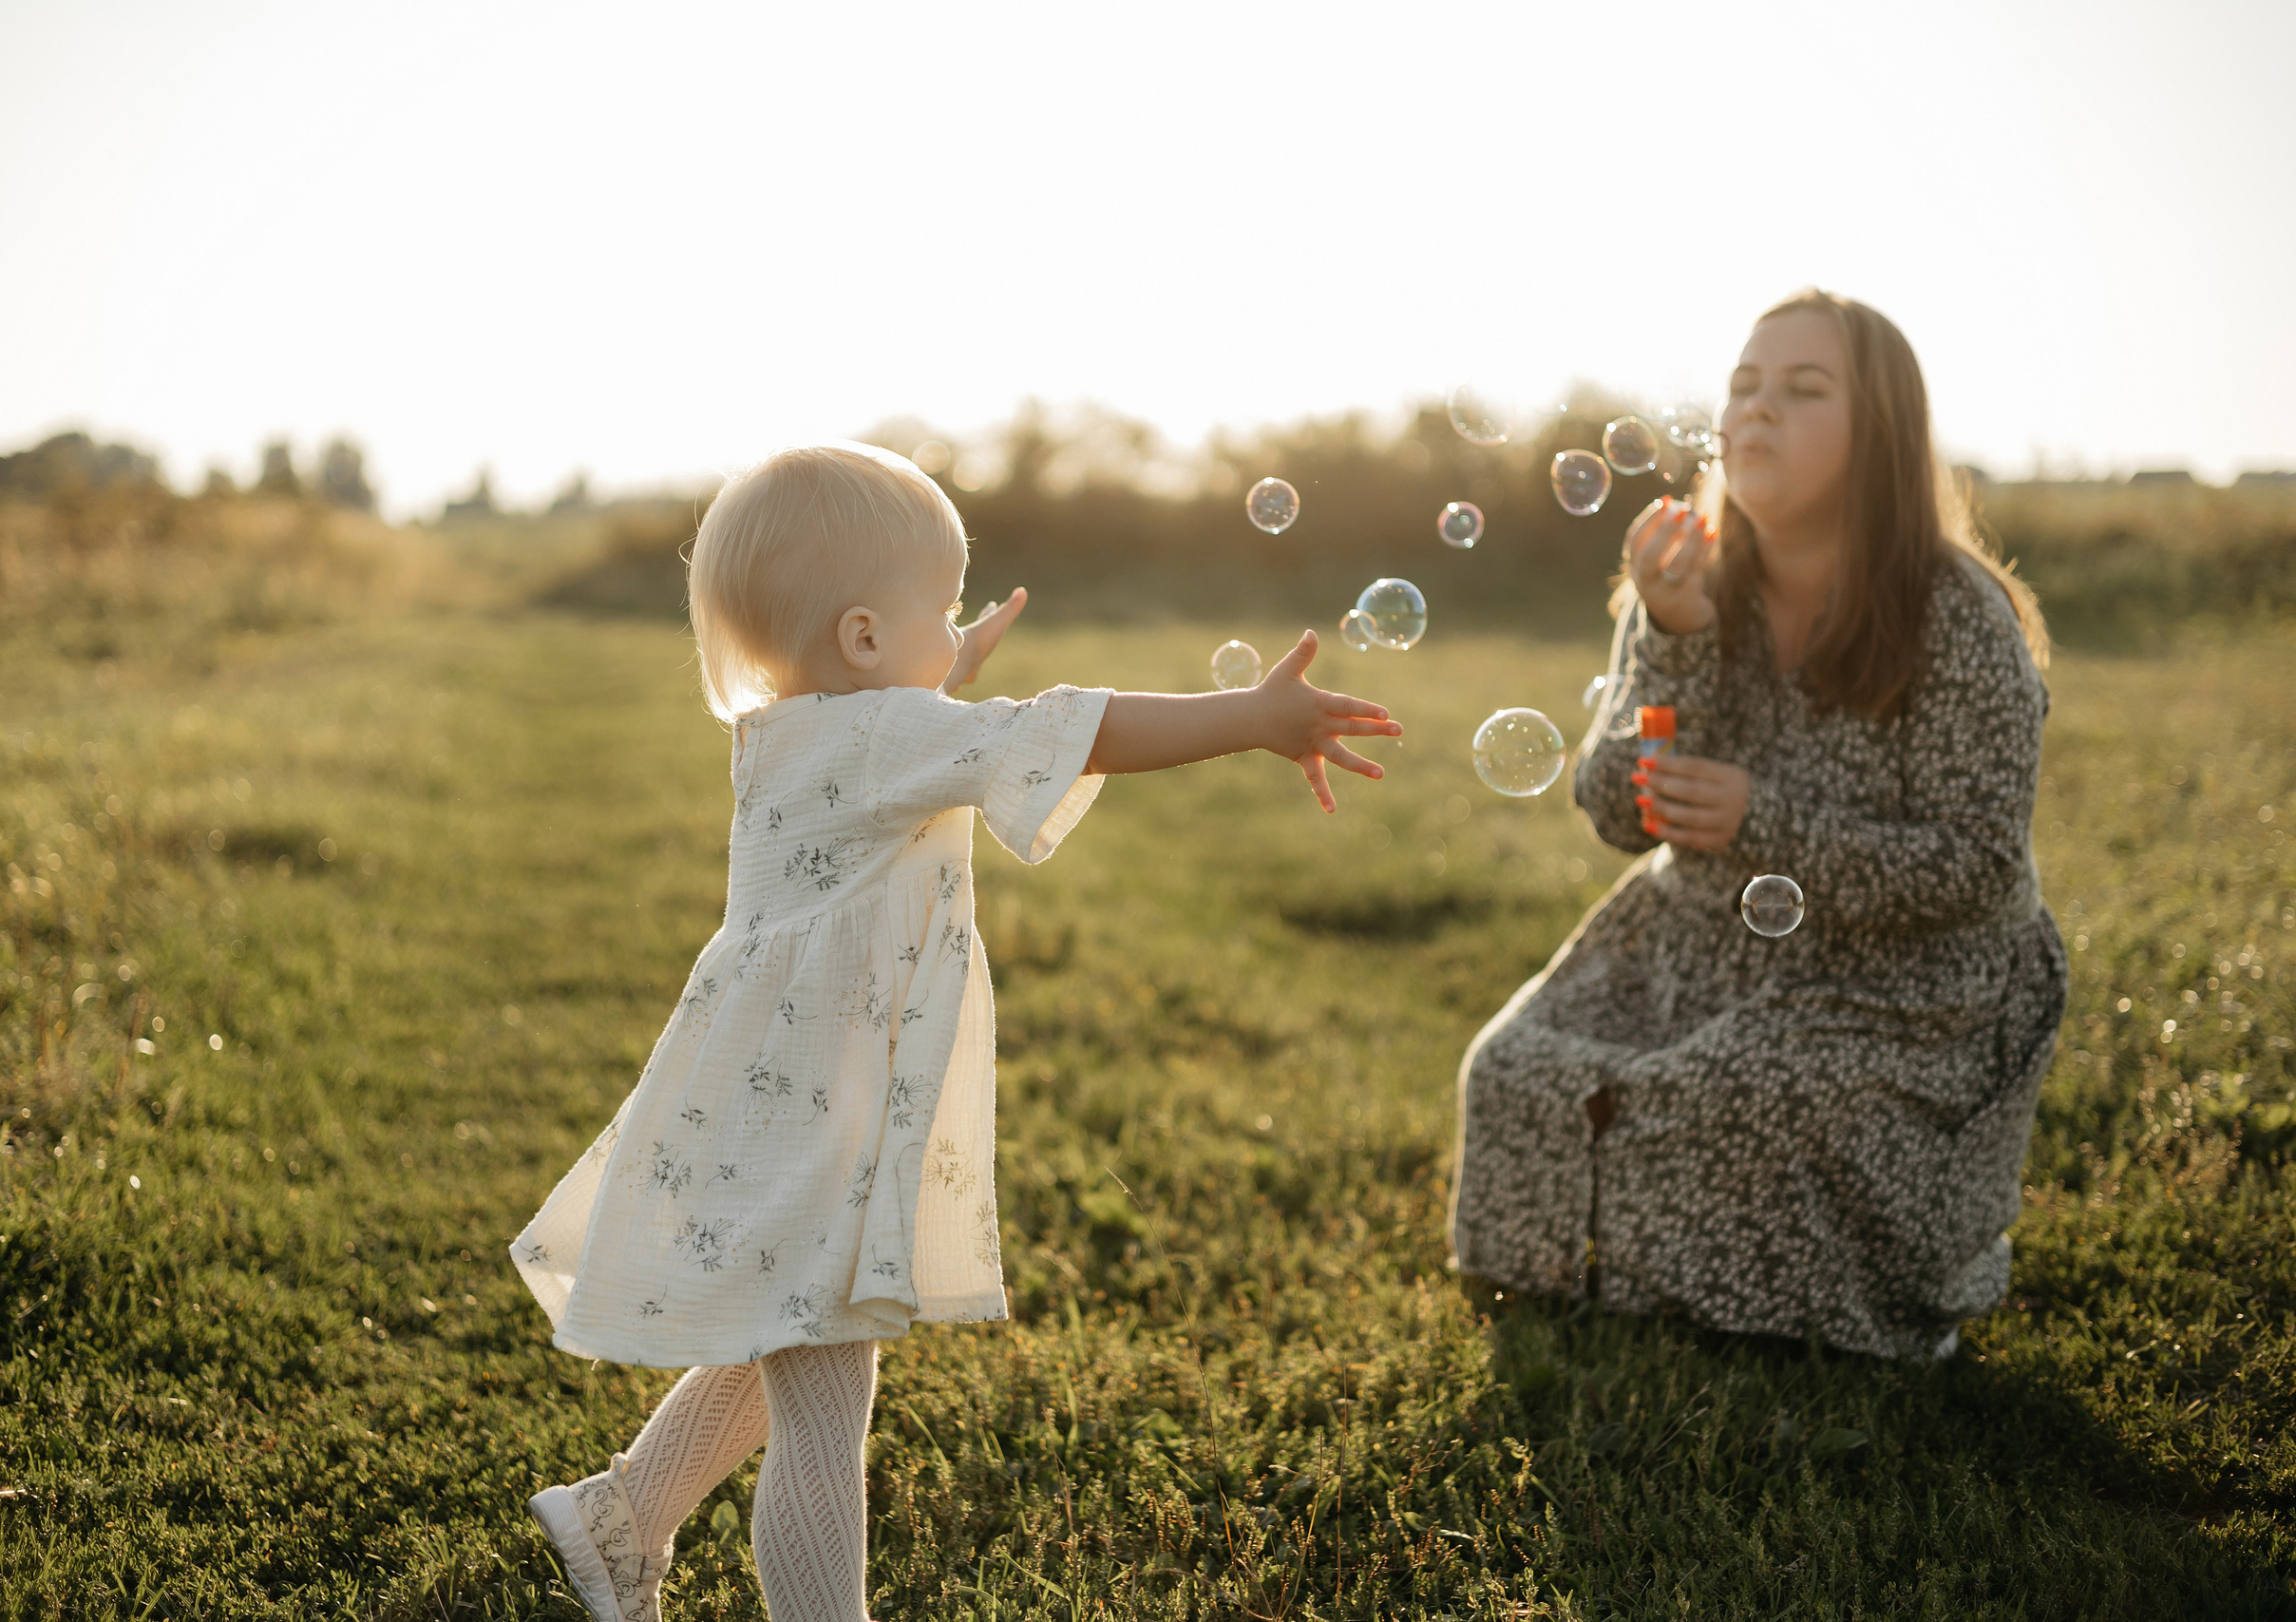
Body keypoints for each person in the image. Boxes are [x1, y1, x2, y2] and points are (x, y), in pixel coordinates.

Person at [511, 443, 1399, 1622]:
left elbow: (916, 723)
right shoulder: (891, 737)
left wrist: (933, 672)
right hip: (817, 1121)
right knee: (827, 1428)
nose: (958, 630)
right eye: (942, 609)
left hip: (771, 1106)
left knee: (789, 1331)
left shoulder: (795, 731)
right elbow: (1080, 728)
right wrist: (1253, 714)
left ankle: (622, 1519)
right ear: (868, 640)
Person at [1448, 290, 2067, 1361]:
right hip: (1690, 942)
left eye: (1802, 388)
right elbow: (1611, 808)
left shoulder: (1955, 614)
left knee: (1749, 1095)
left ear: (1876, 433)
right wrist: (1677, 635)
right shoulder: (1687, 582)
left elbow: (1974, 870)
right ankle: (1613, 1277)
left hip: (1894, 984)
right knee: (1513, 1073)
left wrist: (1762, 822)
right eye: (1743, 387)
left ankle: (1732, 1299)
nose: (1756, 411)